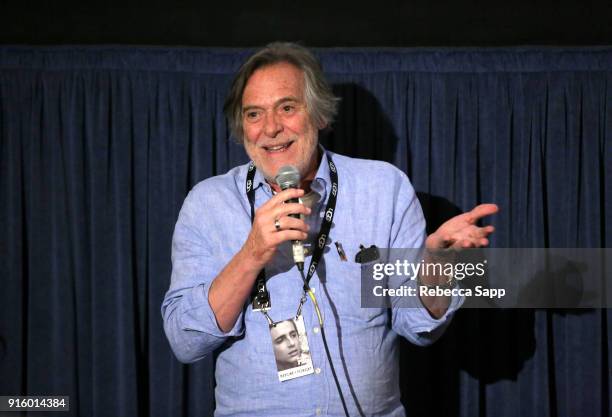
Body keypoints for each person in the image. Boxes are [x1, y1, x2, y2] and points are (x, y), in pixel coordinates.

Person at [162, 42, 498, 417]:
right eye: (254, 114)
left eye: (287, 108)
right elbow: (185, 340)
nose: (271, 128)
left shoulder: (383, 189)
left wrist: (437, 265)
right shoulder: (208, 204)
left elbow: (417, 325)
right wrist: (251, 253)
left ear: (319, 114)